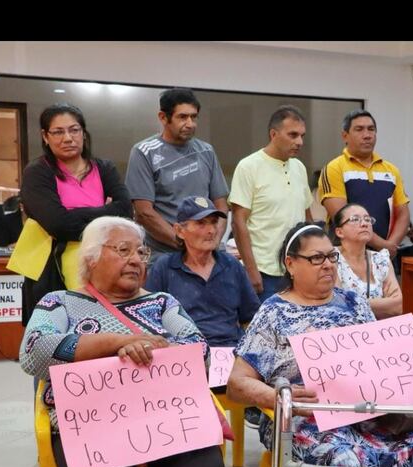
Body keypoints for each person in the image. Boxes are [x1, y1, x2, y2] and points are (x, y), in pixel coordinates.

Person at [226, 222, 413, 467]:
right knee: (340, 456)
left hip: (366, 413)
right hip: (306, 419)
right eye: (316, 258)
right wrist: (274, 396)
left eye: (331, 256)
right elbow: (236, 383)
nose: (328, 264)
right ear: (291, 264)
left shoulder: (353, 302)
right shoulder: (274, 312)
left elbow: (382, 358)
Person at [19, 216, 224, 467]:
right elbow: (32, 351)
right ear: (91, 258)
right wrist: (115, 344)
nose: (136, 260)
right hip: (93, 433)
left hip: (167, 427)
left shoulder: (162, 303)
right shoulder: (60, 303)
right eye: (123, 250)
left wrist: (148, 349)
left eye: (142, 252)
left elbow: (199, 352)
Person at [18, 103, 133, 326]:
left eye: (74, 130)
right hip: (51, 268)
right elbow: (58, 224)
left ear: (83, 132)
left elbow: (125, 213)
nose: (68, 138)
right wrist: (104, 214)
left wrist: (74, 213)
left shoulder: (104, 168)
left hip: (100, 263)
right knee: (59, 332)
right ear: (45, 136)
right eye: (58, 132)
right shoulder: (37, 172)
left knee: (103, 326)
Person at [125, 88, 229, 261]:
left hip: (206, 254)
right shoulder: (144, 152)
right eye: (182, 117)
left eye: (194, 117)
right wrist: (186, 244)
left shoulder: (206, 151)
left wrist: (213, 241)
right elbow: (144, 213)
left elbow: (221, 205)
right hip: (165, 255)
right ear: (163, 117)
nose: (190, 124)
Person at [145, 195, 259, 348]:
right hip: (184, 355)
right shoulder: (165, 267)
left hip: (230, 352)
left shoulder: (231, 265)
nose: (211, 230)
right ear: (179, 231)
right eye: (201, 224)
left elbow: (250, 318)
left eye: (214, 223)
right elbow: (148, 319)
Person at [228, 105, 313, 302]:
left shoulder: (299, 167)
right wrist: (251, 270)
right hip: (263, 271)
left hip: (297, 269)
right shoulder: (249, 166)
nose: (299, 142)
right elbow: (238, 222)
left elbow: (306, 218)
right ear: (273, 134)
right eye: (292, 135)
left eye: (302, 135)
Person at [319, 109, 410, 258]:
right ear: (345, 136)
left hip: (383, 257)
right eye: (359, 129)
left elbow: (403, 213)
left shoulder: (392, 170)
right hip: (346, 257)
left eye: (371, 129)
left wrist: (391, 245)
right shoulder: (334, 168)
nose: (367, 135)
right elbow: (342, 217)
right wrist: (383, 245)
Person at [333, 203, 402, 319]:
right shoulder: (331, 258)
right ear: (339, 232)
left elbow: (398, 306)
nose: (364, 224)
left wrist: (353, 303)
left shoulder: (381, 259)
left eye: (367, 219)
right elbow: (338, 305)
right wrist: (384, 306)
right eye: (355, 219)